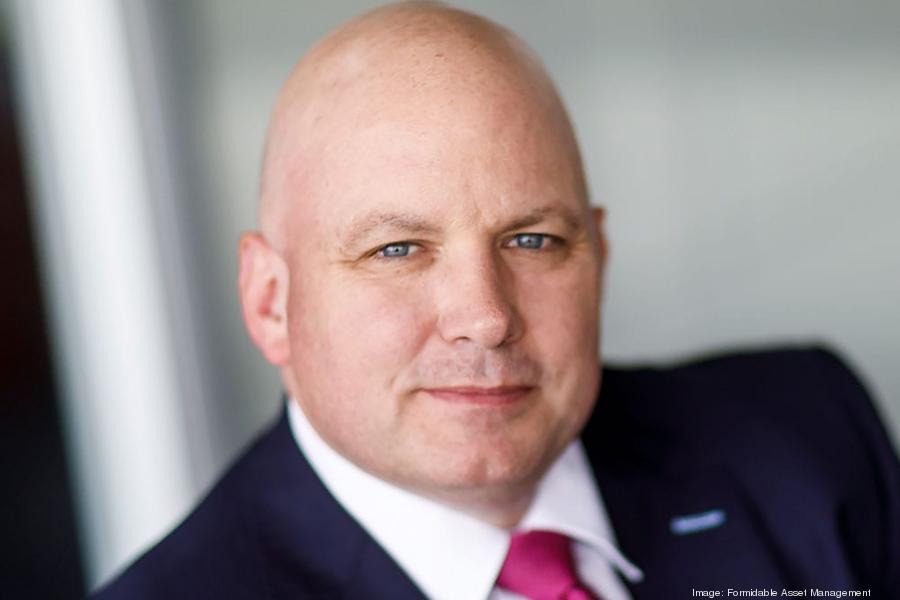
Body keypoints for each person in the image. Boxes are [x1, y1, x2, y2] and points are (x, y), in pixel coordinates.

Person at [93, 2, 900, 599]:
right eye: (397, 250)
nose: (485, 315)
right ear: (272, 303)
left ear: (600, 258)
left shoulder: (806, 437)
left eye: (533, 240)